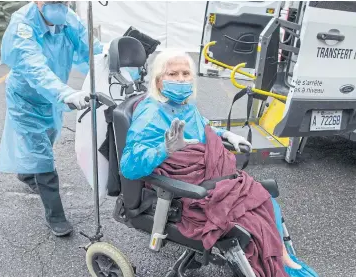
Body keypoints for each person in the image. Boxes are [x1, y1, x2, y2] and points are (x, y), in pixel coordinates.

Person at [120, 49, 318, 276]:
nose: (181, 79)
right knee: (249, 220)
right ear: (159, 80)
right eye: (173, 74)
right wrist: (163, 149)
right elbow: (128, 166)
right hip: (185, 190)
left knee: (266, 201)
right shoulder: (150, 113)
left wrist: (226, 136)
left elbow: (204, 128)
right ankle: (277, 261)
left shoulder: (185, 106)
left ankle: (283, 257)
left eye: (186, 73)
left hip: (210, 176)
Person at [0, 1, 103, 237]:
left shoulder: (69, 18)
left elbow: (90, 48)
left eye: (63, 1)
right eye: (52, 0)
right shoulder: (22, 25)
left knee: (48, 137)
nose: (59, 4)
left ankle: (25, 173)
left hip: (53, 95)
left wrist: (114, 62)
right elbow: (34, 68)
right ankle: (55, 215)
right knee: (41, 154)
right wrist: (65, 93)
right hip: (26, 98)